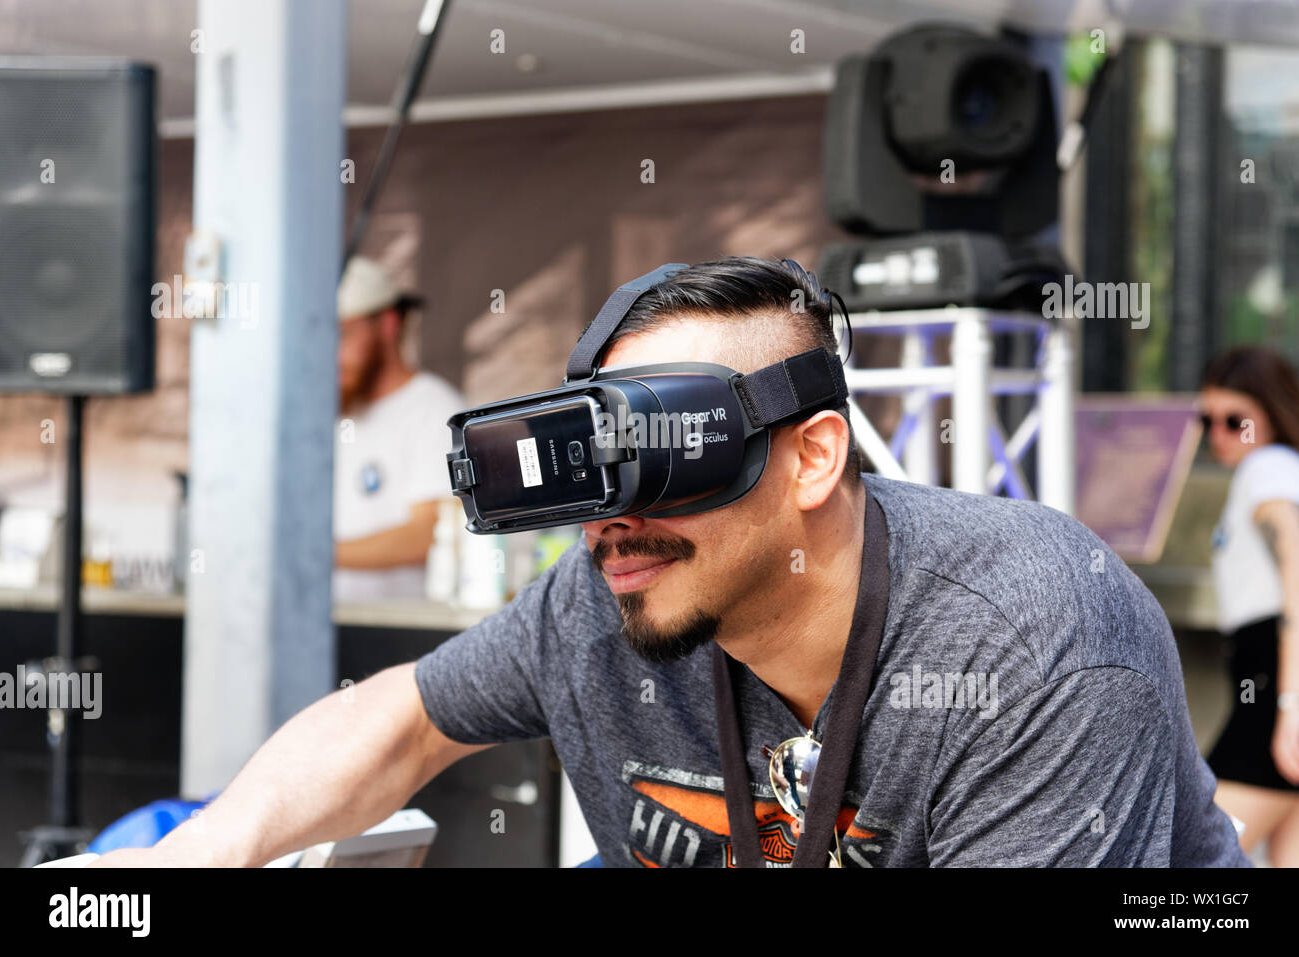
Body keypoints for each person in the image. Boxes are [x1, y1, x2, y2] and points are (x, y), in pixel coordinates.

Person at [92, 257, 1247, 867]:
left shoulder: (1028, 638)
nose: (610, 524)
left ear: (810, 458)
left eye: (655, 454)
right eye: (588, 471)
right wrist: (204, 857)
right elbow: (396, 720)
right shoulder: (607, 595)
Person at [1199, 346, 1299, 866]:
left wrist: (1290, 704)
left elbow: (1295, 554)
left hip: (1272, 689)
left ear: (1271, 412)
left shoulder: (1267, 466)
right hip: (1269, 686)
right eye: (1206, 420)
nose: (1218, 433)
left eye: (1235, 420)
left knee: (1193, 860)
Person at [332, 257, 466, 602]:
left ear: (388, 324)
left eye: (343, 334)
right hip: (325, 633)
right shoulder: (333, 413)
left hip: (397, 637)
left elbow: (429, 533)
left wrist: (311, 554)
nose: (331, 352)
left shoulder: (436, 409)